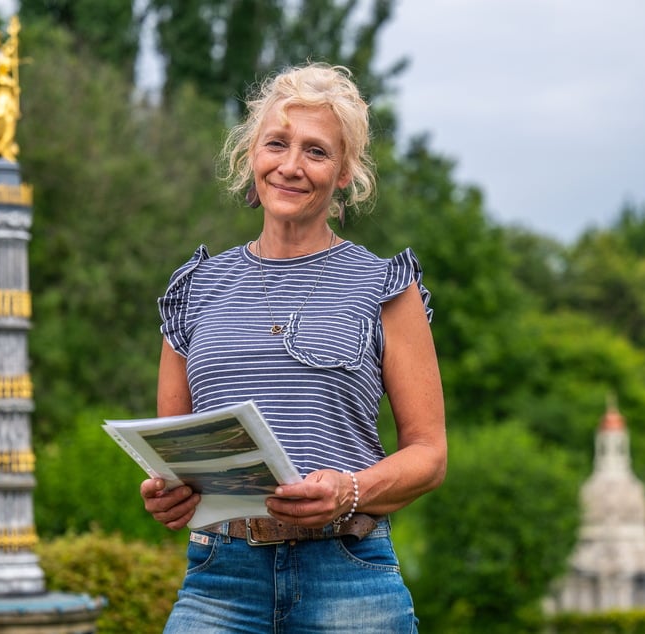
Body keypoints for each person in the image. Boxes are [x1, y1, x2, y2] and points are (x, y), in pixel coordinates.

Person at [140, 62, 447, 633]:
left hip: (349, 578)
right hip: (217, 580)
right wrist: (167, 495)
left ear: (345, 173)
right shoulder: (194, 290)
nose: (290, 166)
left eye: (316, 151)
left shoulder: (385, 286)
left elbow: (429, 456)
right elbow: (174, 454)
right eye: (276, 144)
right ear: (250, 156)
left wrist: (351, 489)